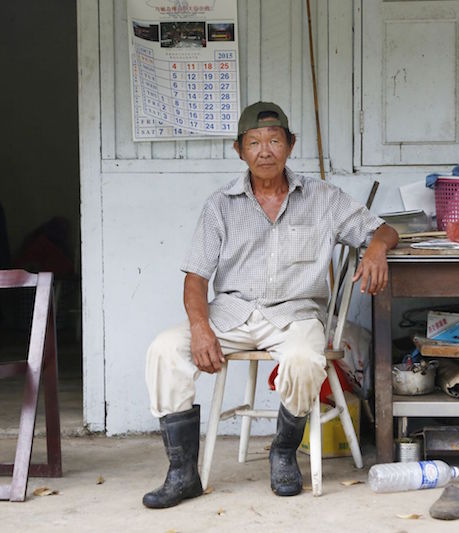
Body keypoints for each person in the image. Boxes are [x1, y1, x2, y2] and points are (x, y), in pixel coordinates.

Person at [142, 101, 399, 509]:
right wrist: (200, 326)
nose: (265, 151)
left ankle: (283, 451)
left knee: (302, 360)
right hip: (232, 315)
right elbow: (196, 277)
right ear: (239, 149)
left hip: (295, 315)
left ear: (290, 145)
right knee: (163, 350)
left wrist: (375, 251)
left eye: (274, 140)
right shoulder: (220, 205)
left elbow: (384, 230)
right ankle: (182, 473)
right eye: (255, 142)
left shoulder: (323, 198)